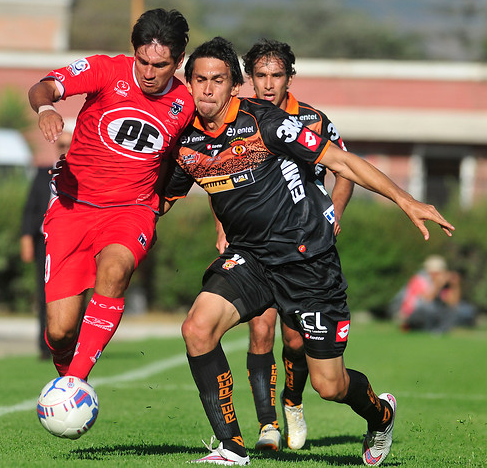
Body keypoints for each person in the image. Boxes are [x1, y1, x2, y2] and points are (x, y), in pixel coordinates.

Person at [160, 37, 454, 466]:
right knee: (197, 329)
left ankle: (381, 414)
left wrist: (405, 200)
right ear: (189, 85)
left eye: (217, 80)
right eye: (199, 80)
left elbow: (341, 162)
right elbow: (158, 199)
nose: (207, 89)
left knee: (329, 386)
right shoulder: (185, 141)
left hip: (308, 263)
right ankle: (231, 446)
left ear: (233, 86)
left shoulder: (266, 122)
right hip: (252, 259)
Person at [27, 8, 194, 381]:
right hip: (73, 207)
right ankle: (65, 370)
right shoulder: (105, 70)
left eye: (161, 65)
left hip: (131, 211)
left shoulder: (186, 103)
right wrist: (47, 108)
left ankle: (75, 383)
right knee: (59, 332)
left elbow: (180, 158)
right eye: (143, 61)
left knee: (115, 271)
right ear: (133, 52)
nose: (148, 73)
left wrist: (163, 199)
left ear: (178, 61)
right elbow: (44, 86)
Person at [210, 38, 354, 452]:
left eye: (276, 75)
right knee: (260, 328)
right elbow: (218, 180)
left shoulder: (311, 119)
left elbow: (344, 168)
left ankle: (292, 401)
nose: (268, 84)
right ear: (248, 79)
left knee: (294, 341)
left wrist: (334, 212)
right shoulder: (239, 119)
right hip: (255, 246)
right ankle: (267, 425)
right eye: (260, 76)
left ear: (290, 76)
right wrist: (222, 226)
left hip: (303, 245)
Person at [20, 129, 73, 360]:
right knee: (45, 295)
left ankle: (74, 347)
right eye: (61, 145)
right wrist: (26, 239)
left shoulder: (84, 173)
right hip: (46, 242)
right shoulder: (43, 174)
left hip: (75, 242)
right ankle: (45, 347)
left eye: (70, 145)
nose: (66, 150)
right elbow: (30, 209)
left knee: (75, 295)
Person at [397, 255, 476, 333]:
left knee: (455, 310)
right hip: (413, 313)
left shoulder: (444, 284)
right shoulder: (419, 280)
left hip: (431, 314)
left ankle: (439, 330)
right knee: (428, 308)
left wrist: (455, 285)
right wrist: (437, 285)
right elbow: (427, 301)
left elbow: (453, 303)